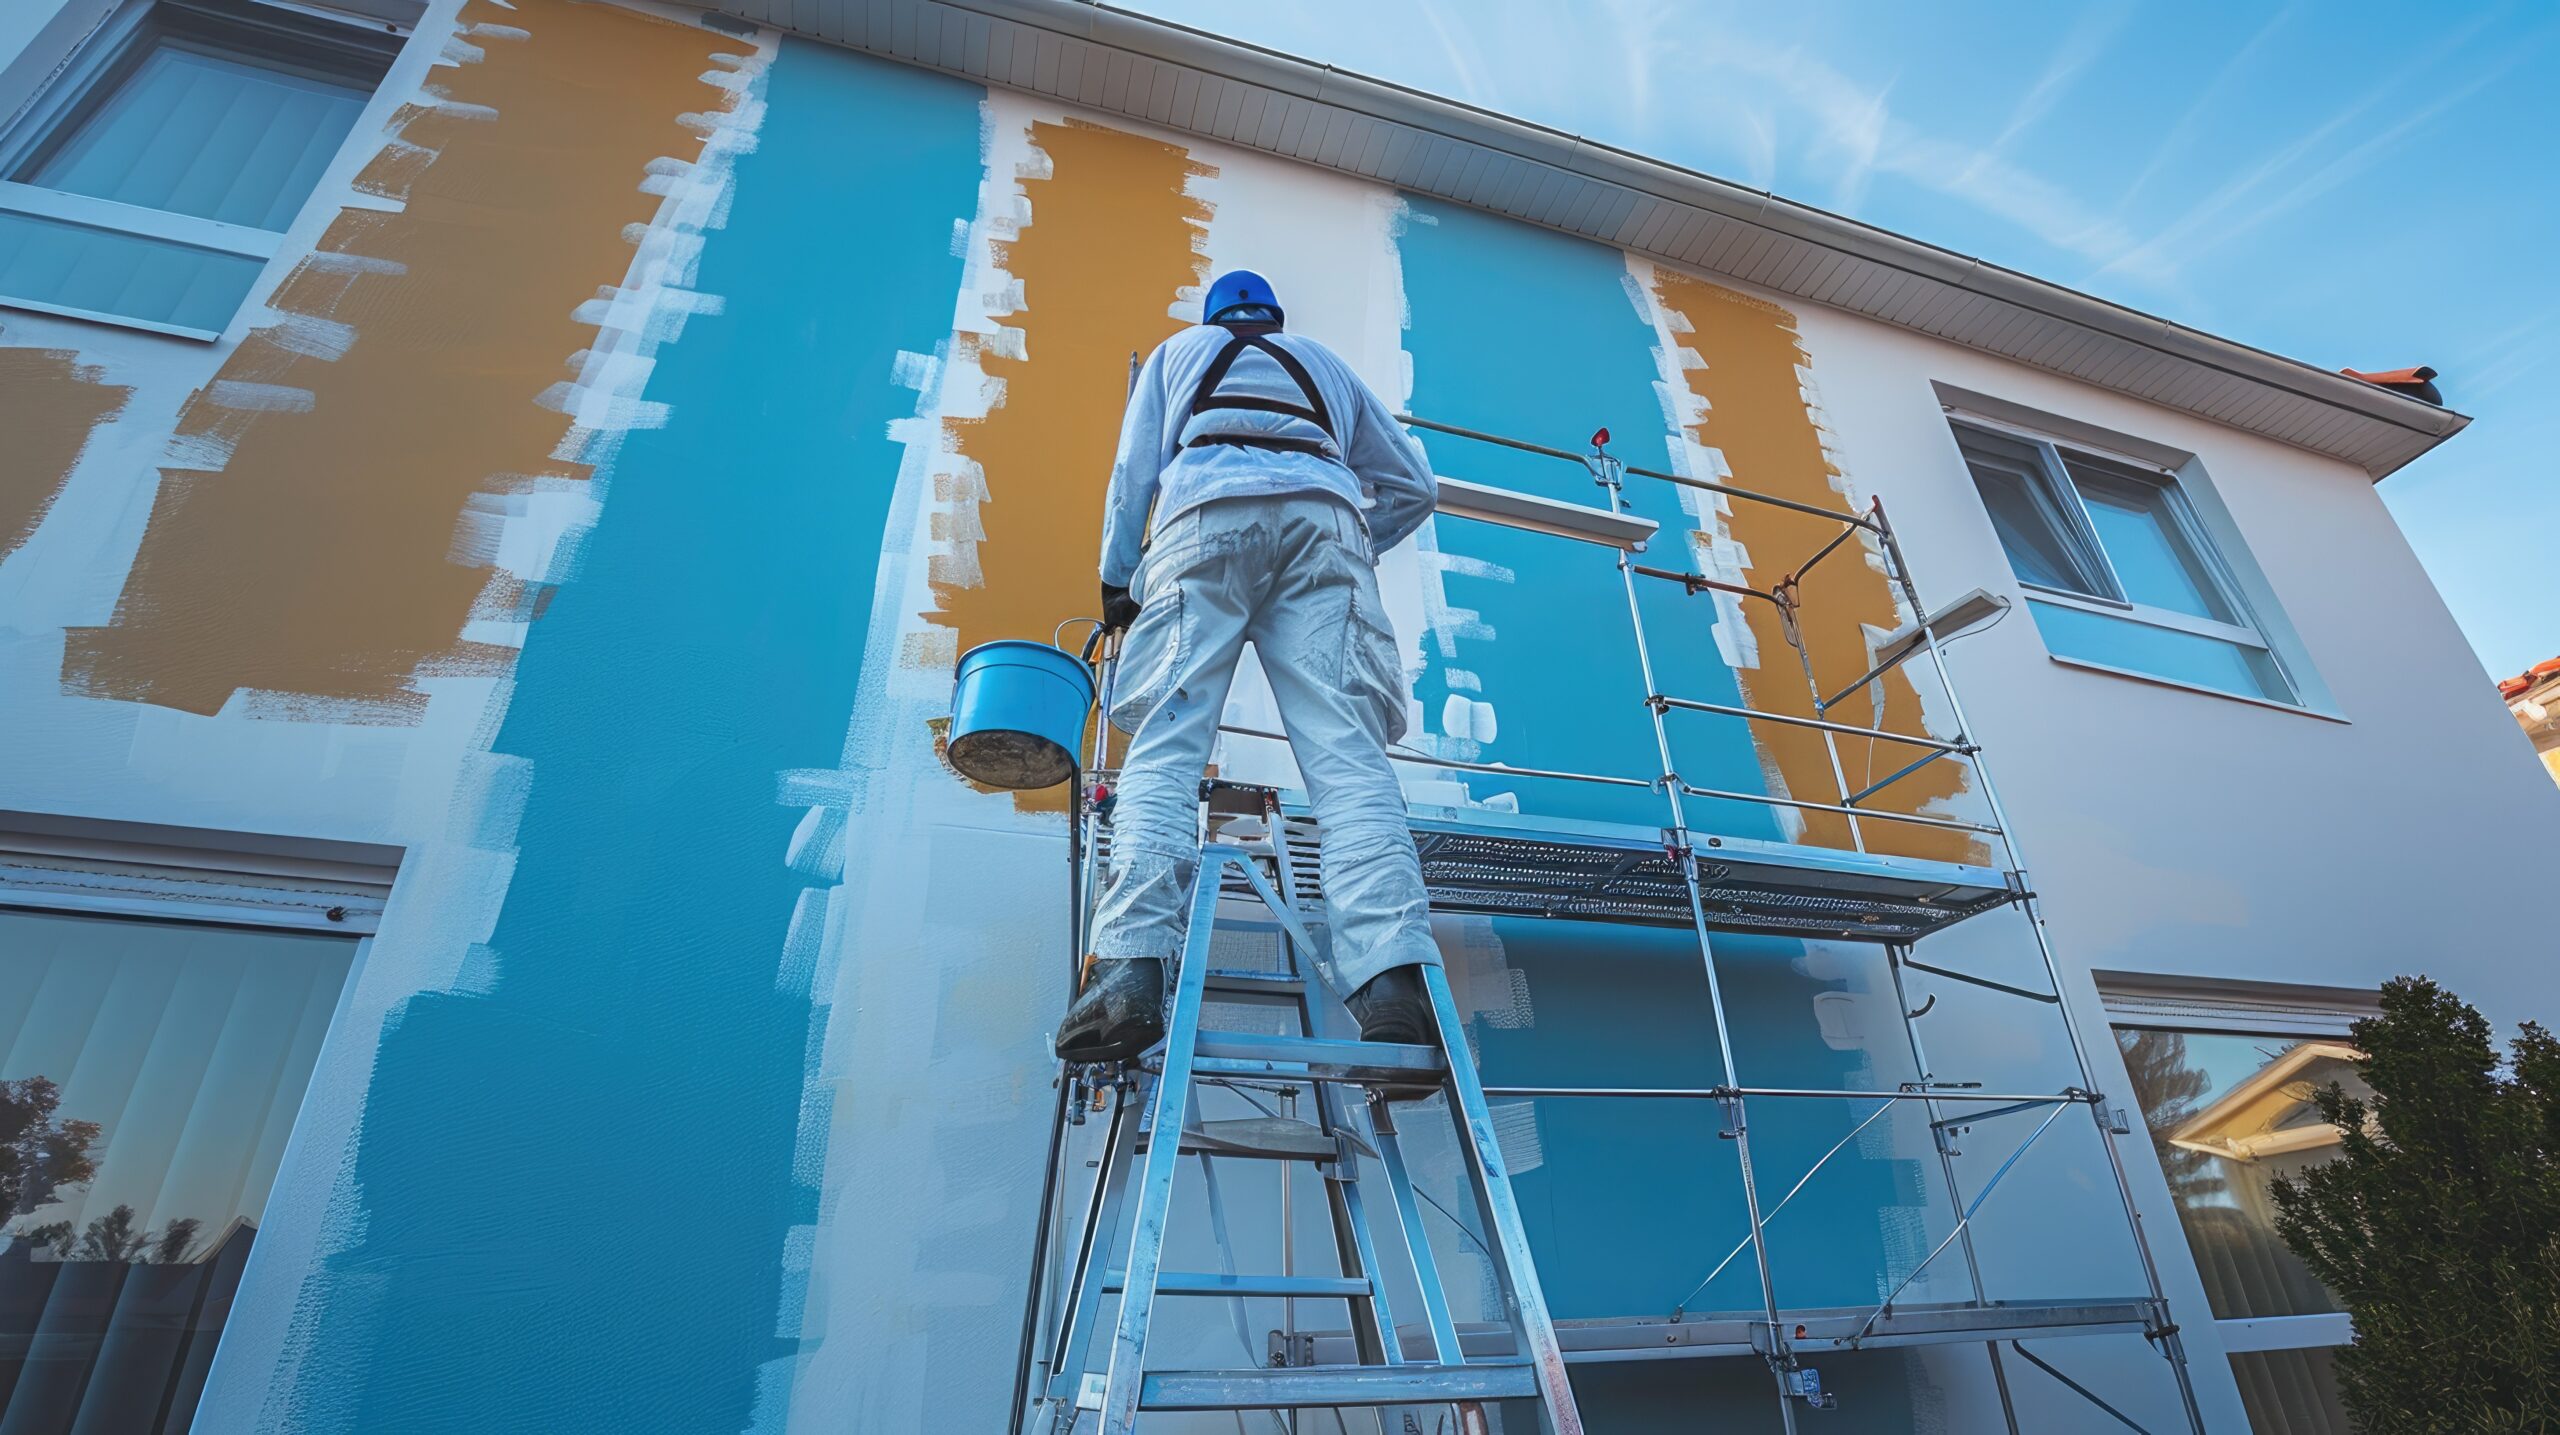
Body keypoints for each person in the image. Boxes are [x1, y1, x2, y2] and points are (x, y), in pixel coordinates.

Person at [1056, 269, 1441, 1064]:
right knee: (1349, 761)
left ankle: (1130, 967)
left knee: (1166, 746)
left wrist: (1118, 584)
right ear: (1274, 317)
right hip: (1324, 525)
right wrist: (1354, 543)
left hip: (1204, 521)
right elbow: (1415, 485)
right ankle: (1393, 982)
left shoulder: (1179, 353)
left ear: (1214, 316)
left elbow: (1133, 479)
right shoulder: (1324, 366)